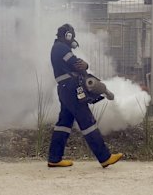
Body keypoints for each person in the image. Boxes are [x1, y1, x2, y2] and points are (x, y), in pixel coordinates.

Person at [47, 23, 123, 168]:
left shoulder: (57, 48)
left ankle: (54, 158)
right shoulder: (62, 48)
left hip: (64, 89)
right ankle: (104, 157)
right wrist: (86, 66)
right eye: (72, 36)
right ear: (68, 35)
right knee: (87, 122)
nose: (73, 39)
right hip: (70, 88)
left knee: (64, 123)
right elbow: (77, 64)